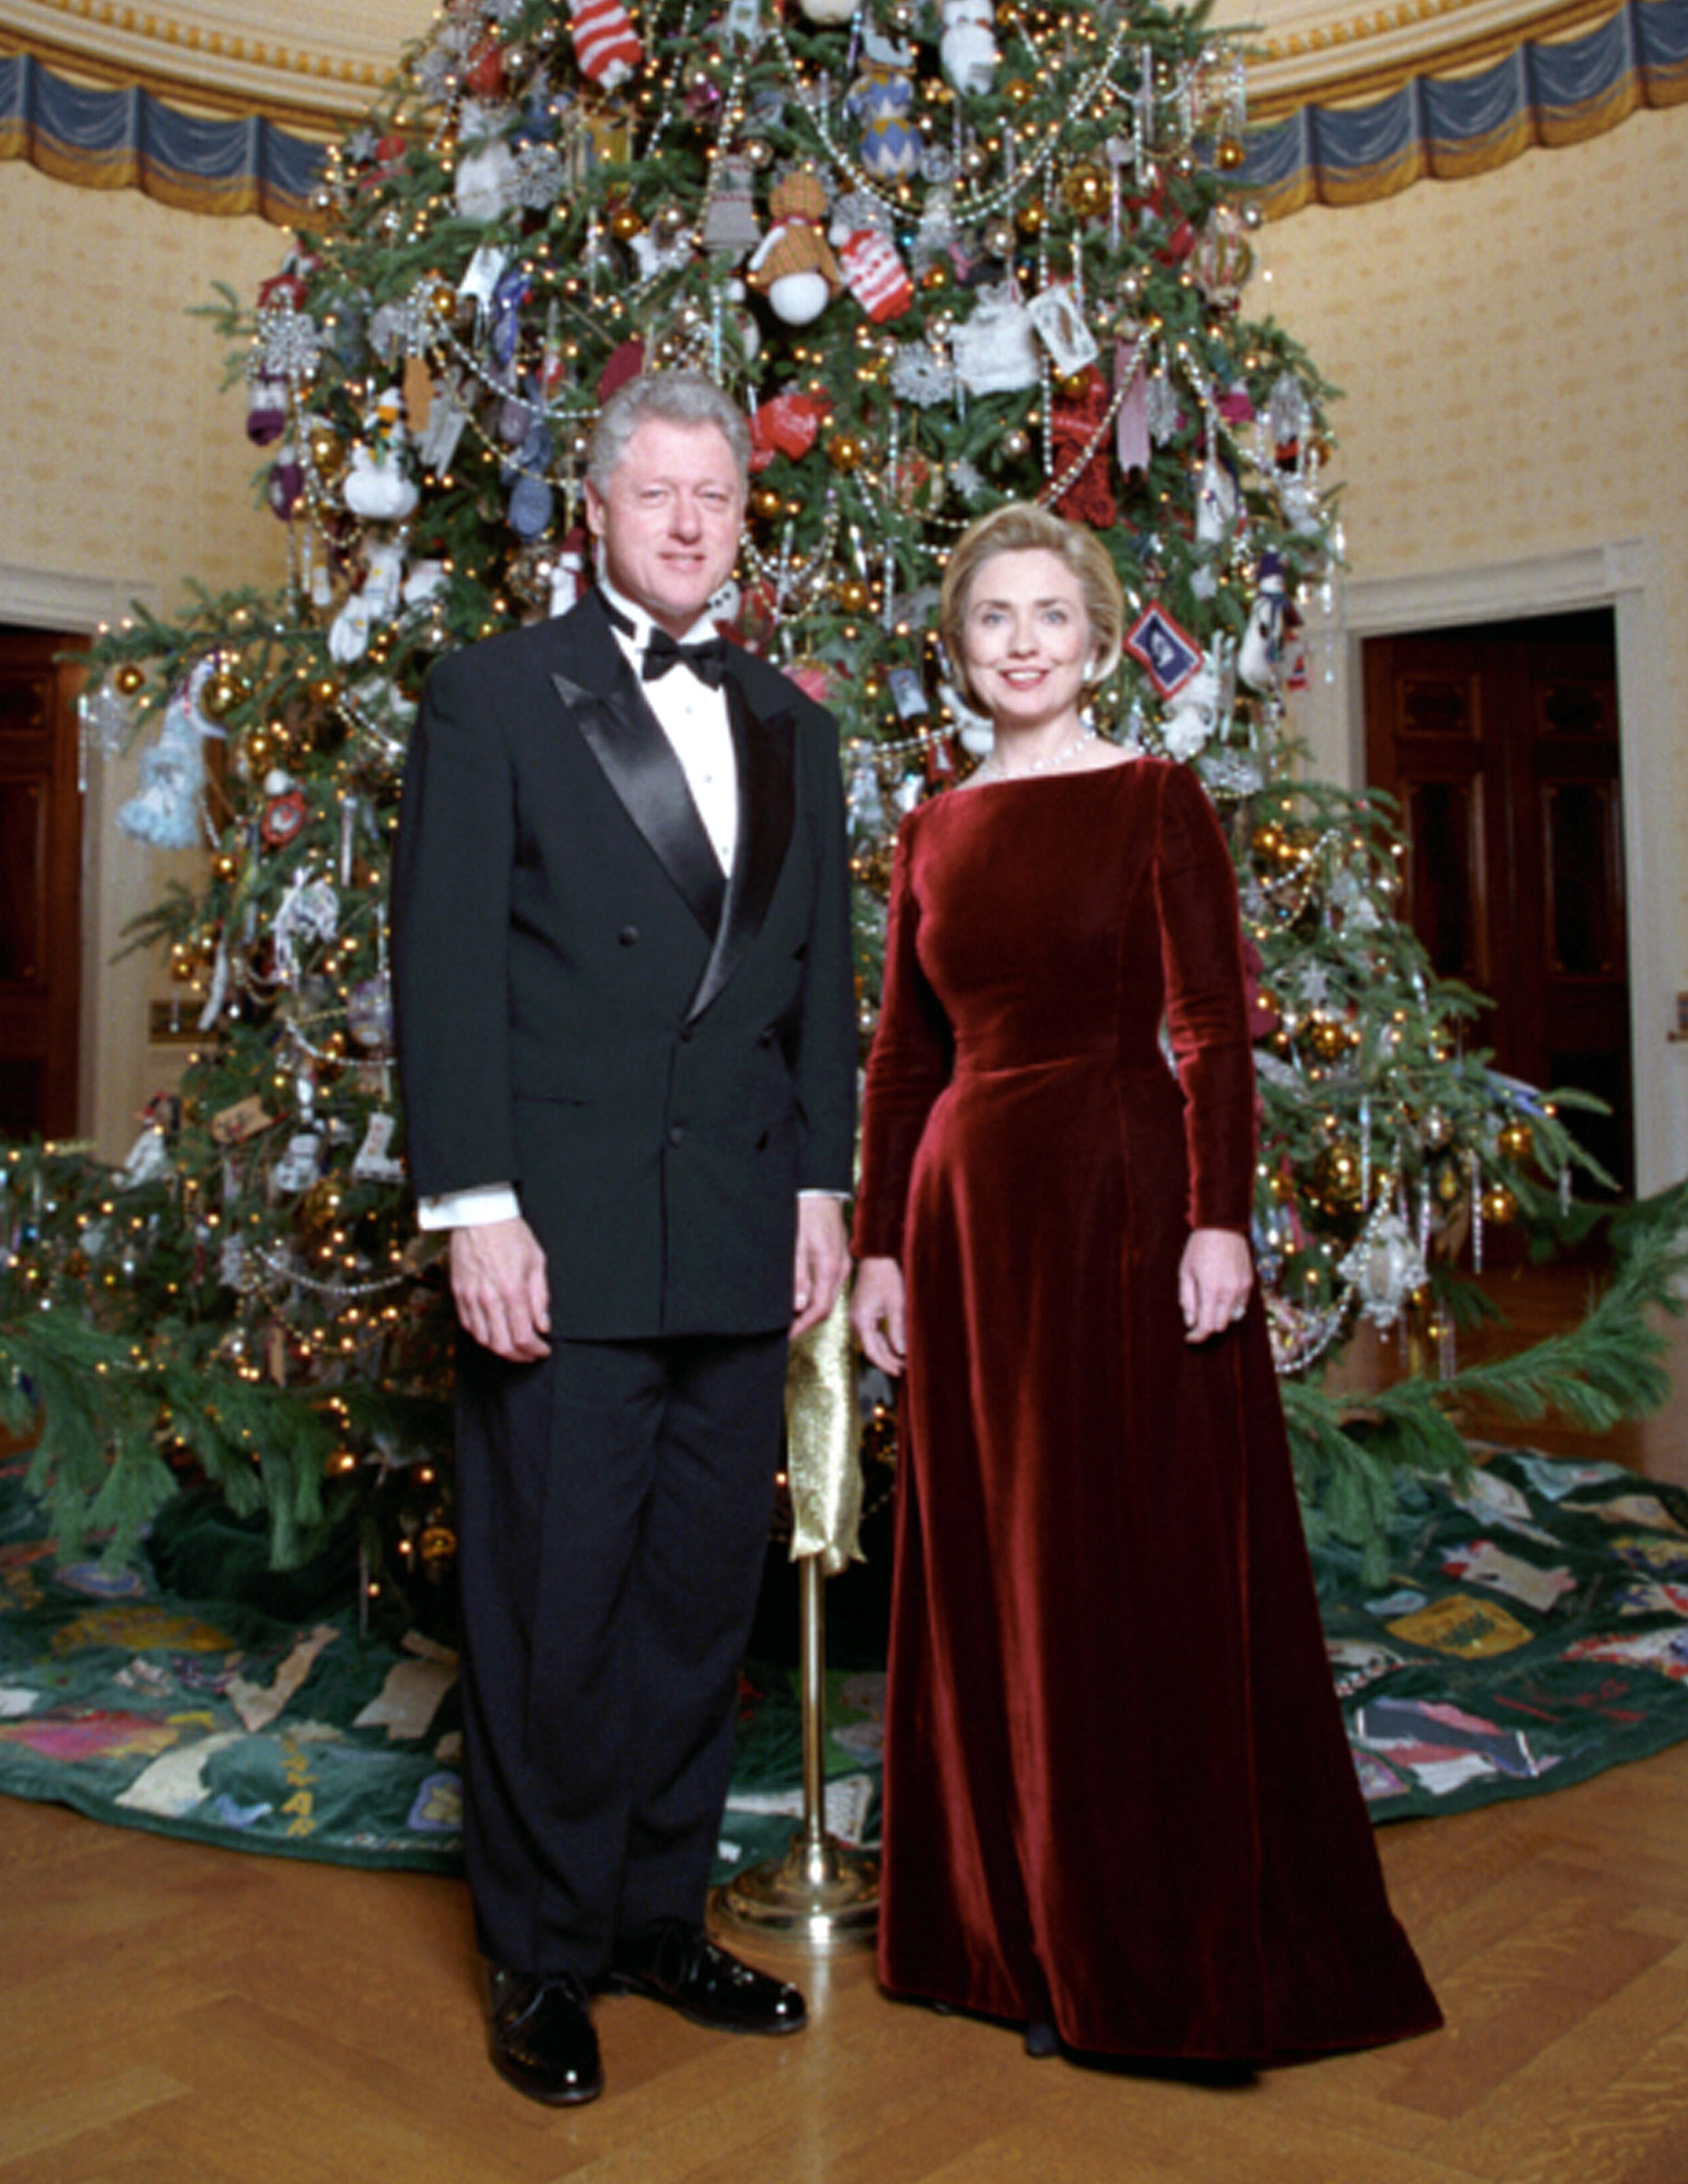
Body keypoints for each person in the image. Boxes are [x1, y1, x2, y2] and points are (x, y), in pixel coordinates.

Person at [850, 504, 1441, 2068]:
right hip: (967, 1229)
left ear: (1100, 642)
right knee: (990, 1561)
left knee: (1119, 1555)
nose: (1022, 642)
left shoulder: (1151, 797)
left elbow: (1211, 1024)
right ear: (956, 648)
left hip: (1120, 1206)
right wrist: (876, 1249)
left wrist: (1215, 1220)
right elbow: (902, 1057)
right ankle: (1003, 1934)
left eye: (1050, 615)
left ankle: (1138, 1940)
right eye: (992, 618)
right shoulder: (930, 829)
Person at [393, 371, 856, 2108]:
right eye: (653, 492)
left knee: (689, 1604)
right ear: (593, 508)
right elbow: (444, 967)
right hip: (560, 1235)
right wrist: (474, 1210)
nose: (683, 522)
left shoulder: (795, 725)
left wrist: (818, 1189)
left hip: (737, 1226)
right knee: (552, 1608)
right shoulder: (495, 694)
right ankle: (541, 1950)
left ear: (744, 517)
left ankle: (658, 1917)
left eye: (712, 497)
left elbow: (817, 988)